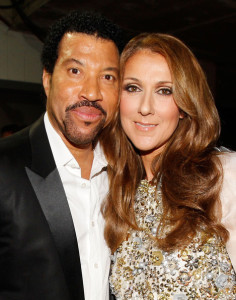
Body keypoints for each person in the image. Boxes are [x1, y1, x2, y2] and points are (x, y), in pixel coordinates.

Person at [101, 33, 236, 299]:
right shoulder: (114, 188)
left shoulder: (222, 176)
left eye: (164, 91)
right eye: (133, 88)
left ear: (184, 106)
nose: (145, 107)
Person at [0, 10, 124, 300]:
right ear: (47, 79)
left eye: (107, 76)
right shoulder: (6, 167)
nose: (92, 92)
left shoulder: (129, 173)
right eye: (75, 71)